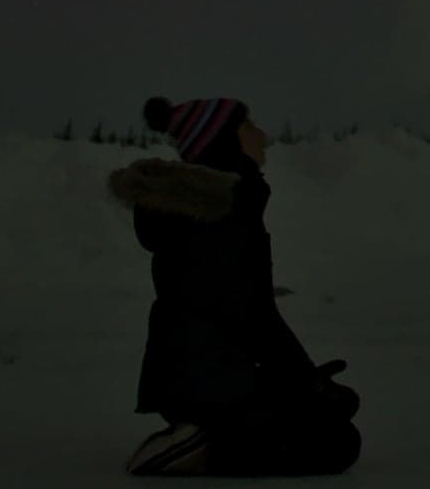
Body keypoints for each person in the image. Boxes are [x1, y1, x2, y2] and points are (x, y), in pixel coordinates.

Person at [109, 95, 362, 476]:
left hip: (204, 373)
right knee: (334, 442)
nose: (263, 135)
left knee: (331, 424)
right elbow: (251, 313)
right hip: (210, 378)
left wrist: (307, 382)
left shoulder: (219, 207)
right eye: (249, 126)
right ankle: (202, 443)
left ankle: (203, 434)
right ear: (225, 140)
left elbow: (245, 311)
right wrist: (306, 384)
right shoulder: (222, 213)